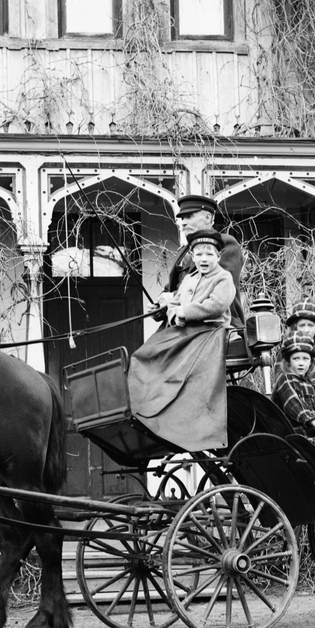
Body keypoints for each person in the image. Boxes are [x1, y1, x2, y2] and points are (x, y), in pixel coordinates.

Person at [128, 230, 237, 452]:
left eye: (209, 254)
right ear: (193, 257)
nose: (204, 259)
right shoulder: (189, 279)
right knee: (145, 354)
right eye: (199, 254)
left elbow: (216, 305)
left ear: (218, 256)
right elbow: (175, 302)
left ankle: (164, 411)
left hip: (210, 333)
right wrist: (159, 309)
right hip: (186, 332)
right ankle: (145, 408)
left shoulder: (223, 278)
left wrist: (184, 313)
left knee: (168, 361)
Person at [166, 194, 246, 333]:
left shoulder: (224, 243)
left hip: (215, 325)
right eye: (182, 218)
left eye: (189, 216)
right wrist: (160, 305)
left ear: (208, 218)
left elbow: (216, 290)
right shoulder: (184, 251)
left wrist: (173, 297)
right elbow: (170, 289)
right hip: (180, 325)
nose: (183, 223)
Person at [277, 299, 315, 389]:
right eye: (302, 325)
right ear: (295, 327)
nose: (306, 330)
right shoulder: (286, 352)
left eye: (310, 325)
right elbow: (280, 386)